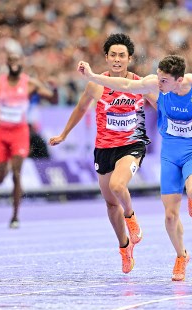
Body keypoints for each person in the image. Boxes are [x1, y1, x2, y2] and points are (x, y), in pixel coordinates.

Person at [78, 54, 192, 281]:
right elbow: (125, 84)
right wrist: (93, 76)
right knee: (171, 217)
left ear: (179, 80)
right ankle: (181, 256)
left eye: (164, 81)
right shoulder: (156, 83)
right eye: (159, 79)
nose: (158, 84)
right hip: (170, 154)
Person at [49, 33, 149, 274]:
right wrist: (64, 134)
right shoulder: (96, 84)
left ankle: (131, 216)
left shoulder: (141, 84)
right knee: (110, 203)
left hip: (131, 146)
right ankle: (124, 247)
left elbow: (164, 107)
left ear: (129, 59)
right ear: (106, 58)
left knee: (118, 185)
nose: (117, 59)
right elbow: (81, 108)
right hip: (104, 149)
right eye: (112, 55)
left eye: (121, 55)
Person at [0, 50, 57, 229]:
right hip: (2, 133)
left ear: (22, 62)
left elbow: (53, 100)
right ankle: (9, 164)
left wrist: (54, 88)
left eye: (17, 60)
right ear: (7, 63)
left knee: (17, 175)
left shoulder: (30, 84)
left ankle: (15, 216)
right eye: (11, 60)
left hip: (20, 133)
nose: (14, 63)